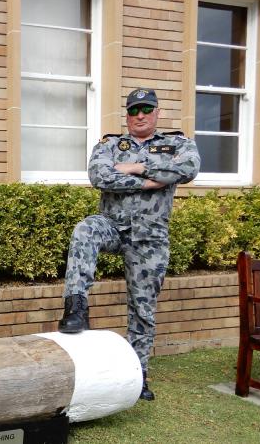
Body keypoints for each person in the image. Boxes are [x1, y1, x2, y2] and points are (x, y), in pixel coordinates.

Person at [57, 88, 201, 401]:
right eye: (134, 110)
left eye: (146, 109)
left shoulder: (178, 143)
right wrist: (153, 180)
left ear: (157, 112)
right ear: (127, 114)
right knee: (85, 229)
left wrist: (136, 167)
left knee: (143, 310)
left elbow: (187, 170)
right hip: (112, 225)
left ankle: (138, 376)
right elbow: (99, 175)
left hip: (150, 236)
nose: (140, 116)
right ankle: (76, 307)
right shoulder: (110, 144)